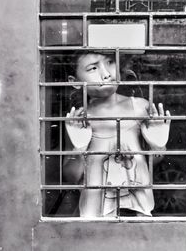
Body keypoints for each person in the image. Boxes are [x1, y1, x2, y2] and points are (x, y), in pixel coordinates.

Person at [63, 51, 171, 217]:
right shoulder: (78, 119)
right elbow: (72, 176)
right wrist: (79, 148)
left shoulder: (141, 108)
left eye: (110, 62)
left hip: (139, 207)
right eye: (93, 68)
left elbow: (151, 163)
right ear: (75, 82)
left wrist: (158, 145)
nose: (106, 74)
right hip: (95, 212)